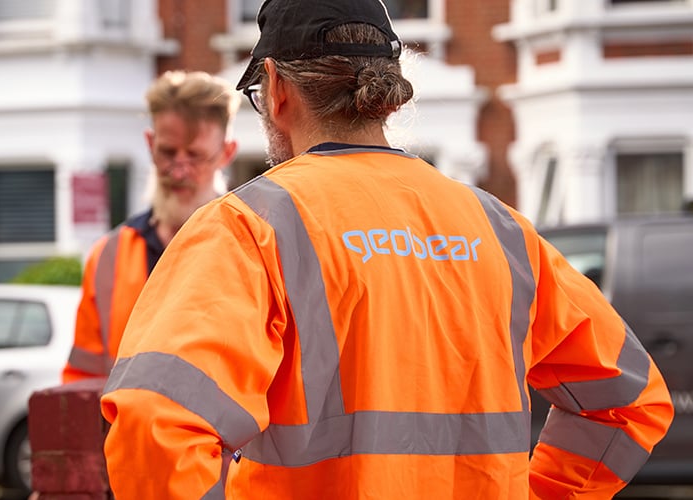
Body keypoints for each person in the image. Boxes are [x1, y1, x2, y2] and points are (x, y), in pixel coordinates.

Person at [99, 0, 674, 498]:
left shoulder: (249, 227)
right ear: (388, 94)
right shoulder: (499, 230)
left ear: (275, 88)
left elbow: (157, 424)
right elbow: (629, 399)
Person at [62, 70, 240, 383]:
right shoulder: (108, 257)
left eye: (195, 156)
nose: (179, 170)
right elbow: (82, 380)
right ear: (149, 143)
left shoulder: (253, 247)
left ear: (226, 153)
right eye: (168, 153)